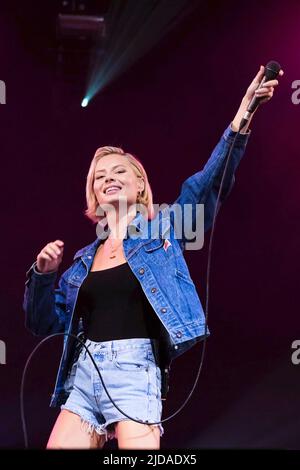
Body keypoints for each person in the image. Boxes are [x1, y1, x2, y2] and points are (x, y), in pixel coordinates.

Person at [23, 65, 282, 449]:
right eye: (99, 176)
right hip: (84, 375)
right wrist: (43, 275)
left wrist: (243, 117)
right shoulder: (80, 261)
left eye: (119, 171)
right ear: (93, 195)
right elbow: (44, 324)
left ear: (140, 183)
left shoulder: (165, 229)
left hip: (134, 370)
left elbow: (207, 184)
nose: (108, 177)